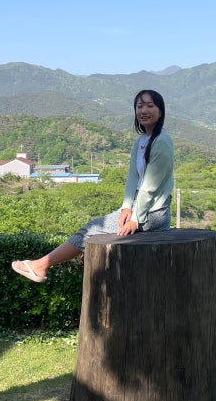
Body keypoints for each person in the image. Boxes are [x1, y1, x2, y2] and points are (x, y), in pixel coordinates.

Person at [11, 89, 174, 282]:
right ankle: (40, 265)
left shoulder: (161, 141)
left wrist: (135, 219)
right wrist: (125, 207)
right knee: (95, 229)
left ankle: (41, 266)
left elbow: (149, 188)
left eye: (150, 106)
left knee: (89, 231)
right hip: (140, 207)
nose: (144, 110)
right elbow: (133, 177)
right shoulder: (141, 141)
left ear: (160, 111)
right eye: (140, 106)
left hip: (153, 213)